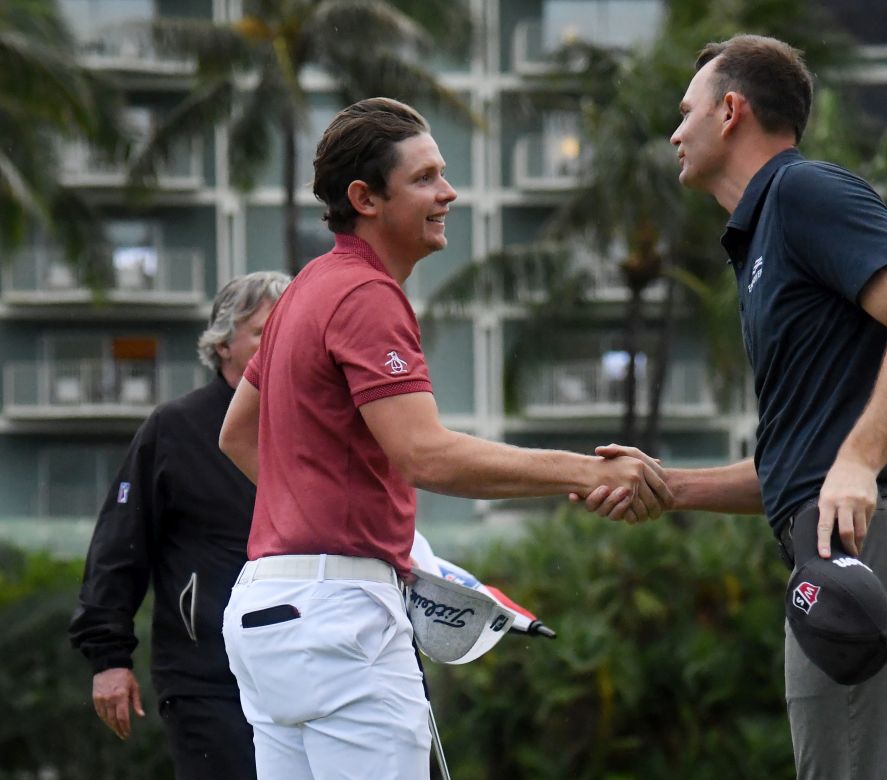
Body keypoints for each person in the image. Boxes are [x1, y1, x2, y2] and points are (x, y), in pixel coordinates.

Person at [217, 96, 671, 780]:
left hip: (266, 612)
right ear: (365, 198)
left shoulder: (308, 287)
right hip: (339, 620)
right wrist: (585, 472)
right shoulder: (365, 295)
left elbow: (237, 433)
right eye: (426, 177)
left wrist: (322, 514)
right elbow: (424, 453)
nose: (448, 192)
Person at [578, 35, 887, 779]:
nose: (675, 132)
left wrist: (860, 463)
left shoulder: (802, 194)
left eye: (687, 111)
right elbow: (803, 470)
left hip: (872, 548)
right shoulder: (765, 237)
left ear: (731, 110)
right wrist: (669, 488)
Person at [69, 271, 290, 779]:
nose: (278, 343)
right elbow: (118, 549)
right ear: (223, 344)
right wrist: (109, 658)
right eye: (262, 332)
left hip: (303, 669)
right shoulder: (173, 429)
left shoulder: (316, 424)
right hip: (205, 676)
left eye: (288, 330)